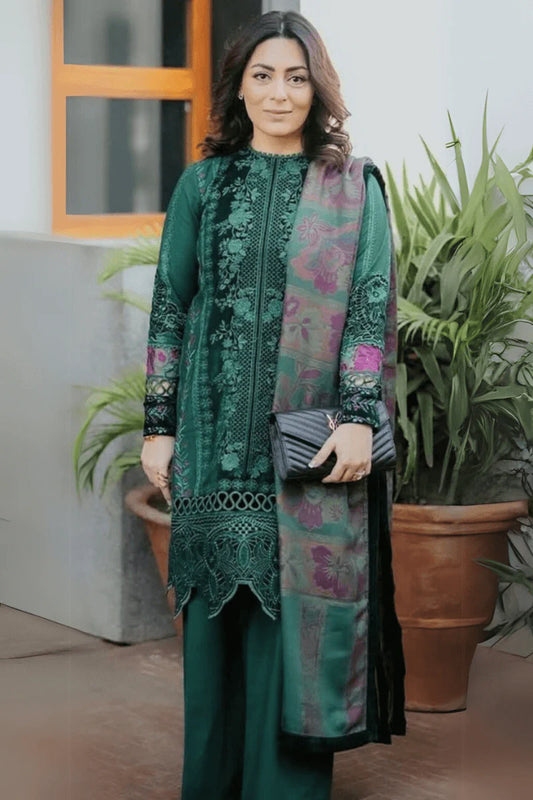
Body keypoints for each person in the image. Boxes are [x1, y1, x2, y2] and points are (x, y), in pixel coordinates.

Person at [141, 10, 405, 799]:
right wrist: (157, 429)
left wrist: (357, 417)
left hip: (305, 448)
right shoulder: (203, 185)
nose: (279, 92)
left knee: (293, 642)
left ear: (316, 89)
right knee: (214, 647)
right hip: (210, 445)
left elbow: (368, 309)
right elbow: (169, 307)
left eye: (295, 76)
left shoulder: (351, 188)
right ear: (239, 86)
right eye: (263, 75)